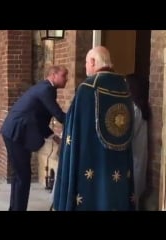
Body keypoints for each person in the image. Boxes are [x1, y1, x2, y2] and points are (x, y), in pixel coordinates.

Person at [52, 46, 135, 211]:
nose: (86, 67)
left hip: (90, 158)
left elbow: (73, 124)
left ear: (93, 62)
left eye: (86, 63)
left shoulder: (88, 88)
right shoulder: (124, 87)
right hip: (118, 159)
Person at [0, 65, 68, 211]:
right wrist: (77, 121)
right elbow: (59, 115)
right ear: (53, 75)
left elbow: (40, 119)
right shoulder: (46, 89)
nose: (67, 79)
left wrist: (52, 136)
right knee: (23, 176)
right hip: (16, 133)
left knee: (19, 176)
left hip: (16, 133)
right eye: (64, 75)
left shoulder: (47, 89)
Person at [125, 73, 149, 210]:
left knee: (132, 198)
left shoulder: (134, 108)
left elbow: (128, 134)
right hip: (138, 156)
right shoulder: (139, 107)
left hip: (134, 157)